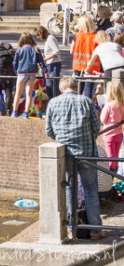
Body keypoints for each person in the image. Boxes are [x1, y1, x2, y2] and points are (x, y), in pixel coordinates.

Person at [45, 76, 106, 240]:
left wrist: (61, 138)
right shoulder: (86, 101)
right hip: (86, 155)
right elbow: (96, 127)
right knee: (91, 191)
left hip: (66, 154)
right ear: (76, 87)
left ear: (61, 89)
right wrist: (88, 139)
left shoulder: (52, 103)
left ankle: (73, 229)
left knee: (70, 191)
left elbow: (48, 130)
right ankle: (95, 231)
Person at [11, 33, 39, 118]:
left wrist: (16, 70)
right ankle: (26, 113)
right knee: (29, 94)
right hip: (32, 73)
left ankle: (14, 112)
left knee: (18, 94)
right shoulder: (35, 49)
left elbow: (15, 62)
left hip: (22, 73)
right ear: (31, 39)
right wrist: (45, 71)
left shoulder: (19, 50)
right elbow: (41, 61)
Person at [72, 15, 100, 99]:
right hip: (92, 67)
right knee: (89, 90)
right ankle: (87, 109)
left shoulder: (77, 36)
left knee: (77, 90)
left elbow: (72, 51)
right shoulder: (95, 37)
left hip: (78, 66)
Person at [100, 81, 124, 161]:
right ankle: (115, 172)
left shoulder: (109, 105)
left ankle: (112, 172)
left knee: (111, 157)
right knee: (116, 157)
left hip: (109, 134)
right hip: (119, 133)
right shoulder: (122, 104)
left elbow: (103, 120)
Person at [36, 26, 62, 101]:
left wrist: (45, 59)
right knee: (49, 86)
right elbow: (50, 52)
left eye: (38, 35)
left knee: (52, 86)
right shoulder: (48, 39)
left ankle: (56, 102)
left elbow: (56, 52)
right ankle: (52, 102)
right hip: (50, 64)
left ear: (42, 33)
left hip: (54, 64)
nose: (37, 37)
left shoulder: (50, 38)